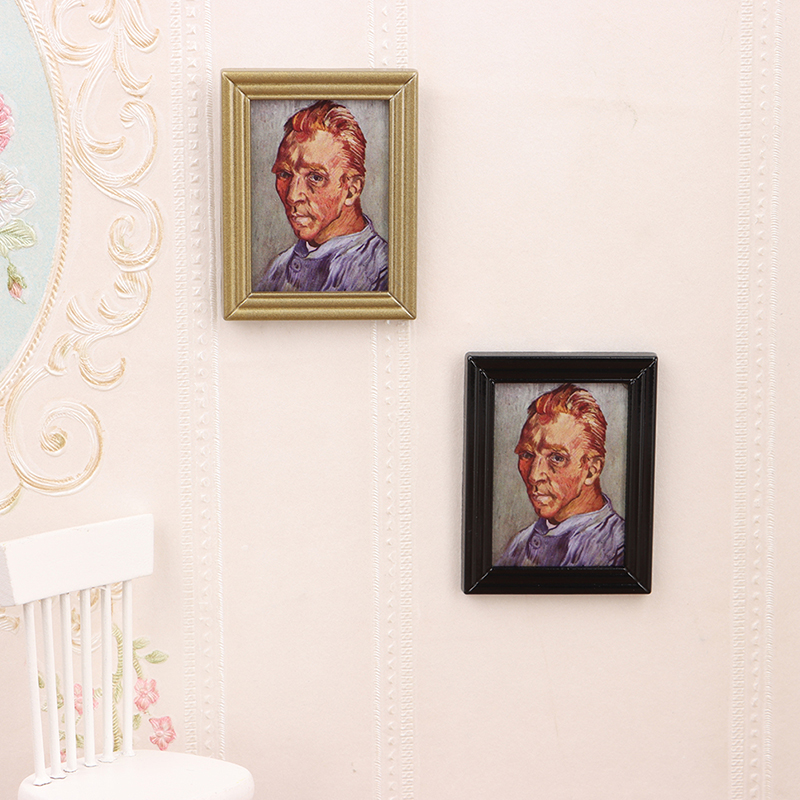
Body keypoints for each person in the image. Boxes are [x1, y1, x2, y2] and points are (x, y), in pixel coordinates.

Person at [254, 100, 388, 293]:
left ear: (351, 190)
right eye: (284, 174)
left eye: (316, 177)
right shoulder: (278, 269)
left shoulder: (384, 273)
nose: (292, 196)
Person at [495, 383, 625, 567]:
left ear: (591, 470)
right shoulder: (518, 545)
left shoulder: (620, 550)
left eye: (557, 458)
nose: (534, 476)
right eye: (526, 455)